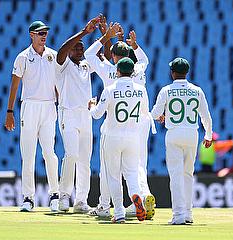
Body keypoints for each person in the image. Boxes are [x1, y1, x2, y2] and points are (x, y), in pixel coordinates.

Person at [85, 19, 156, 220]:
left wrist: (106, 37)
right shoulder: (139, 75)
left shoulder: (109, 77)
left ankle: (113, 209)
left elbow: (90, 55)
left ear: (115, 61)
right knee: (135, 168)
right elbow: (144, 61)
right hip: (136, 130)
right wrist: (134, 45)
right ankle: (140, 196)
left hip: (113, 130)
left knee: (111, 173)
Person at [4, 21, 59, 212]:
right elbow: (15, 85)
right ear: (31, 35)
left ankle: (55, 194)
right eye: (40, 33)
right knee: (28, 154)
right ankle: (28, 198)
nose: (44, 36)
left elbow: (57, 85)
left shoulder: (53, 56)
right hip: (29, 106)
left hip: (49, 106)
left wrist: (61, 105)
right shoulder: (23, 57)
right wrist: (9, 111)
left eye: (45, 32)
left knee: (49, 153)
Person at [151, 57, 213, 225]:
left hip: (174, 133)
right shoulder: (197, 90)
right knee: (188, 174)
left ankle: (178, 215)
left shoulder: (166, 90)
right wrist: (208, 135)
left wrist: (161, 116)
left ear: (172, 73)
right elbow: (205, 116)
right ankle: (188, 213)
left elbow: (155, 113)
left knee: (176, 176)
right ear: (187, 72)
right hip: (192, 134)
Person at [89, 57, 148, 223]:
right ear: (133, 72)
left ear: (117, 71)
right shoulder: (141, 90)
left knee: (113, 176)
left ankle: (120, 213)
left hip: (113, 136)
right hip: (133, 138)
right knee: (132, 174)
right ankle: (136, 196)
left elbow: (97, 115)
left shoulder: (109, 89)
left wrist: (91, 105)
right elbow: (144, 113)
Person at [56, 17, 100, 213]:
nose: (80, 50)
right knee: (71, 155)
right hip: (68, 114)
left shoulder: (84, 65)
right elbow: (61, 51)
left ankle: (81, 200)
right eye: (77, 48)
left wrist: (105, 36)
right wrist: (84, 32)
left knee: (85, 160)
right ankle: (64, 196)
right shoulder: (63, 65)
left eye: (82, 48)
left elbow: (102, 58)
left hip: (85, 115)